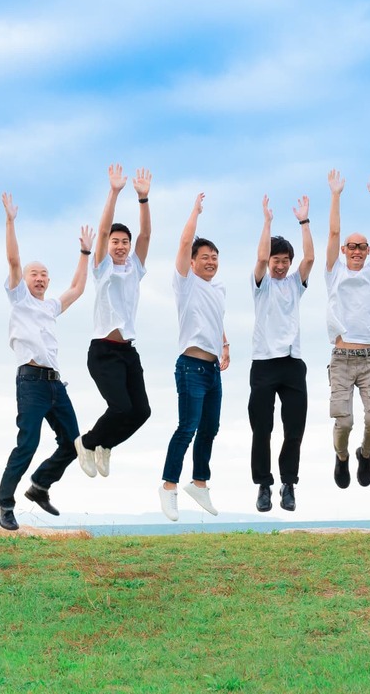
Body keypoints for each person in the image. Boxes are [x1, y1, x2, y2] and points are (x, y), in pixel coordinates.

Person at [0, 193, 93, 531]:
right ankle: (4, 505)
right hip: (31, 381)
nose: (39, 278)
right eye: (34, 273)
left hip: (55, 384)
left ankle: (39, 486)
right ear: (26, 279)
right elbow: (12, 260)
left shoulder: (50, 306)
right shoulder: (19, 297)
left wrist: (84, 252)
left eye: (44, 275)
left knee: (74, 443)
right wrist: (10, 221)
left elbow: (78, 288)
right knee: (28, 442)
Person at [74, 164, 153, 479]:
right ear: (108, 247)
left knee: (142, 412)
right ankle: (88, 442)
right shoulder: (102, 267)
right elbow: (104, 229)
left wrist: (143, 200)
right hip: (104, 352)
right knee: (121, 408)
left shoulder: (135, 267)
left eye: (125, 242)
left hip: (128, 352)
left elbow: (146, 234)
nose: (120, 246)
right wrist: (115, 191)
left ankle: (104, 445)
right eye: (116, 242)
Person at [159, 192, 229, 521]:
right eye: (204, 256)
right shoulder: (185, 283)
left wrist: (225, 345)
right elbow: (185, 241)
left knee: (210, 428)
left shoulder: (218, 289)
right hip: (190, 368)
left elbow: (215, 321)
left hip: (212, 370)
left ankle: (199, 483)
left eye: (215, 256)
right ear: (192, 260)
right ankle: (169, 487)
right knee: (187, 427)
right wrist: (195, 212)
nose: (210, 261)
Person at [248, 194, 315, 512]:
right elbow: (260, 259)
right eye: (277, 259)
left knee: (294, 428)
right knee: (262, 429)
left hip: (292, 364)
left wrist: (304, 221)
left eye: (285, 260)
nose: (280, 264)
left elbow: (311, 259)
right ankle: (264, 485)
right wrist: (267, 222)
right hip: (263, 364)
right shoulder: (261, 284)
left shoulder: (293, 284)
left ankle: (289, 484)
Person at [324, 169, 370, 489]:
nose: (357, 250)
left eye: (361, 247)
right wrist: (336, 195)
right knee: (344, 422)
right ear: (344, 251)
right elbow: (334, 233)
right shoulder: (334, 272)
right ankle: (342, 457)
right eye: (352, 246)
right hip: (341, 359)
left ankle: (365, 454)